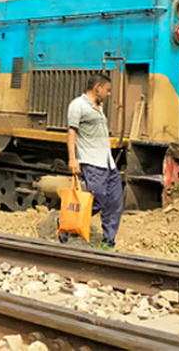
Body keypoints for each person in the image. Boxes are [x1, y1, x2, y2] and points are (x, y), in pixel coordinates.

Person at [66, 72, 123, 249]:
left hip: (107, 162)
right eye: (107, 90)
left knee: (115, 201)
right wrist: (72, 159)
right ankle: (70, 224)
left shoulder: (99, 107)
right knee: (98, 199)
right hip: (91, 161)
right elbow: (71, 132)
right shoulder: (78, 105)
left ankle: (108, 241)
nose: (109, 94)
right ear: (97, 88)